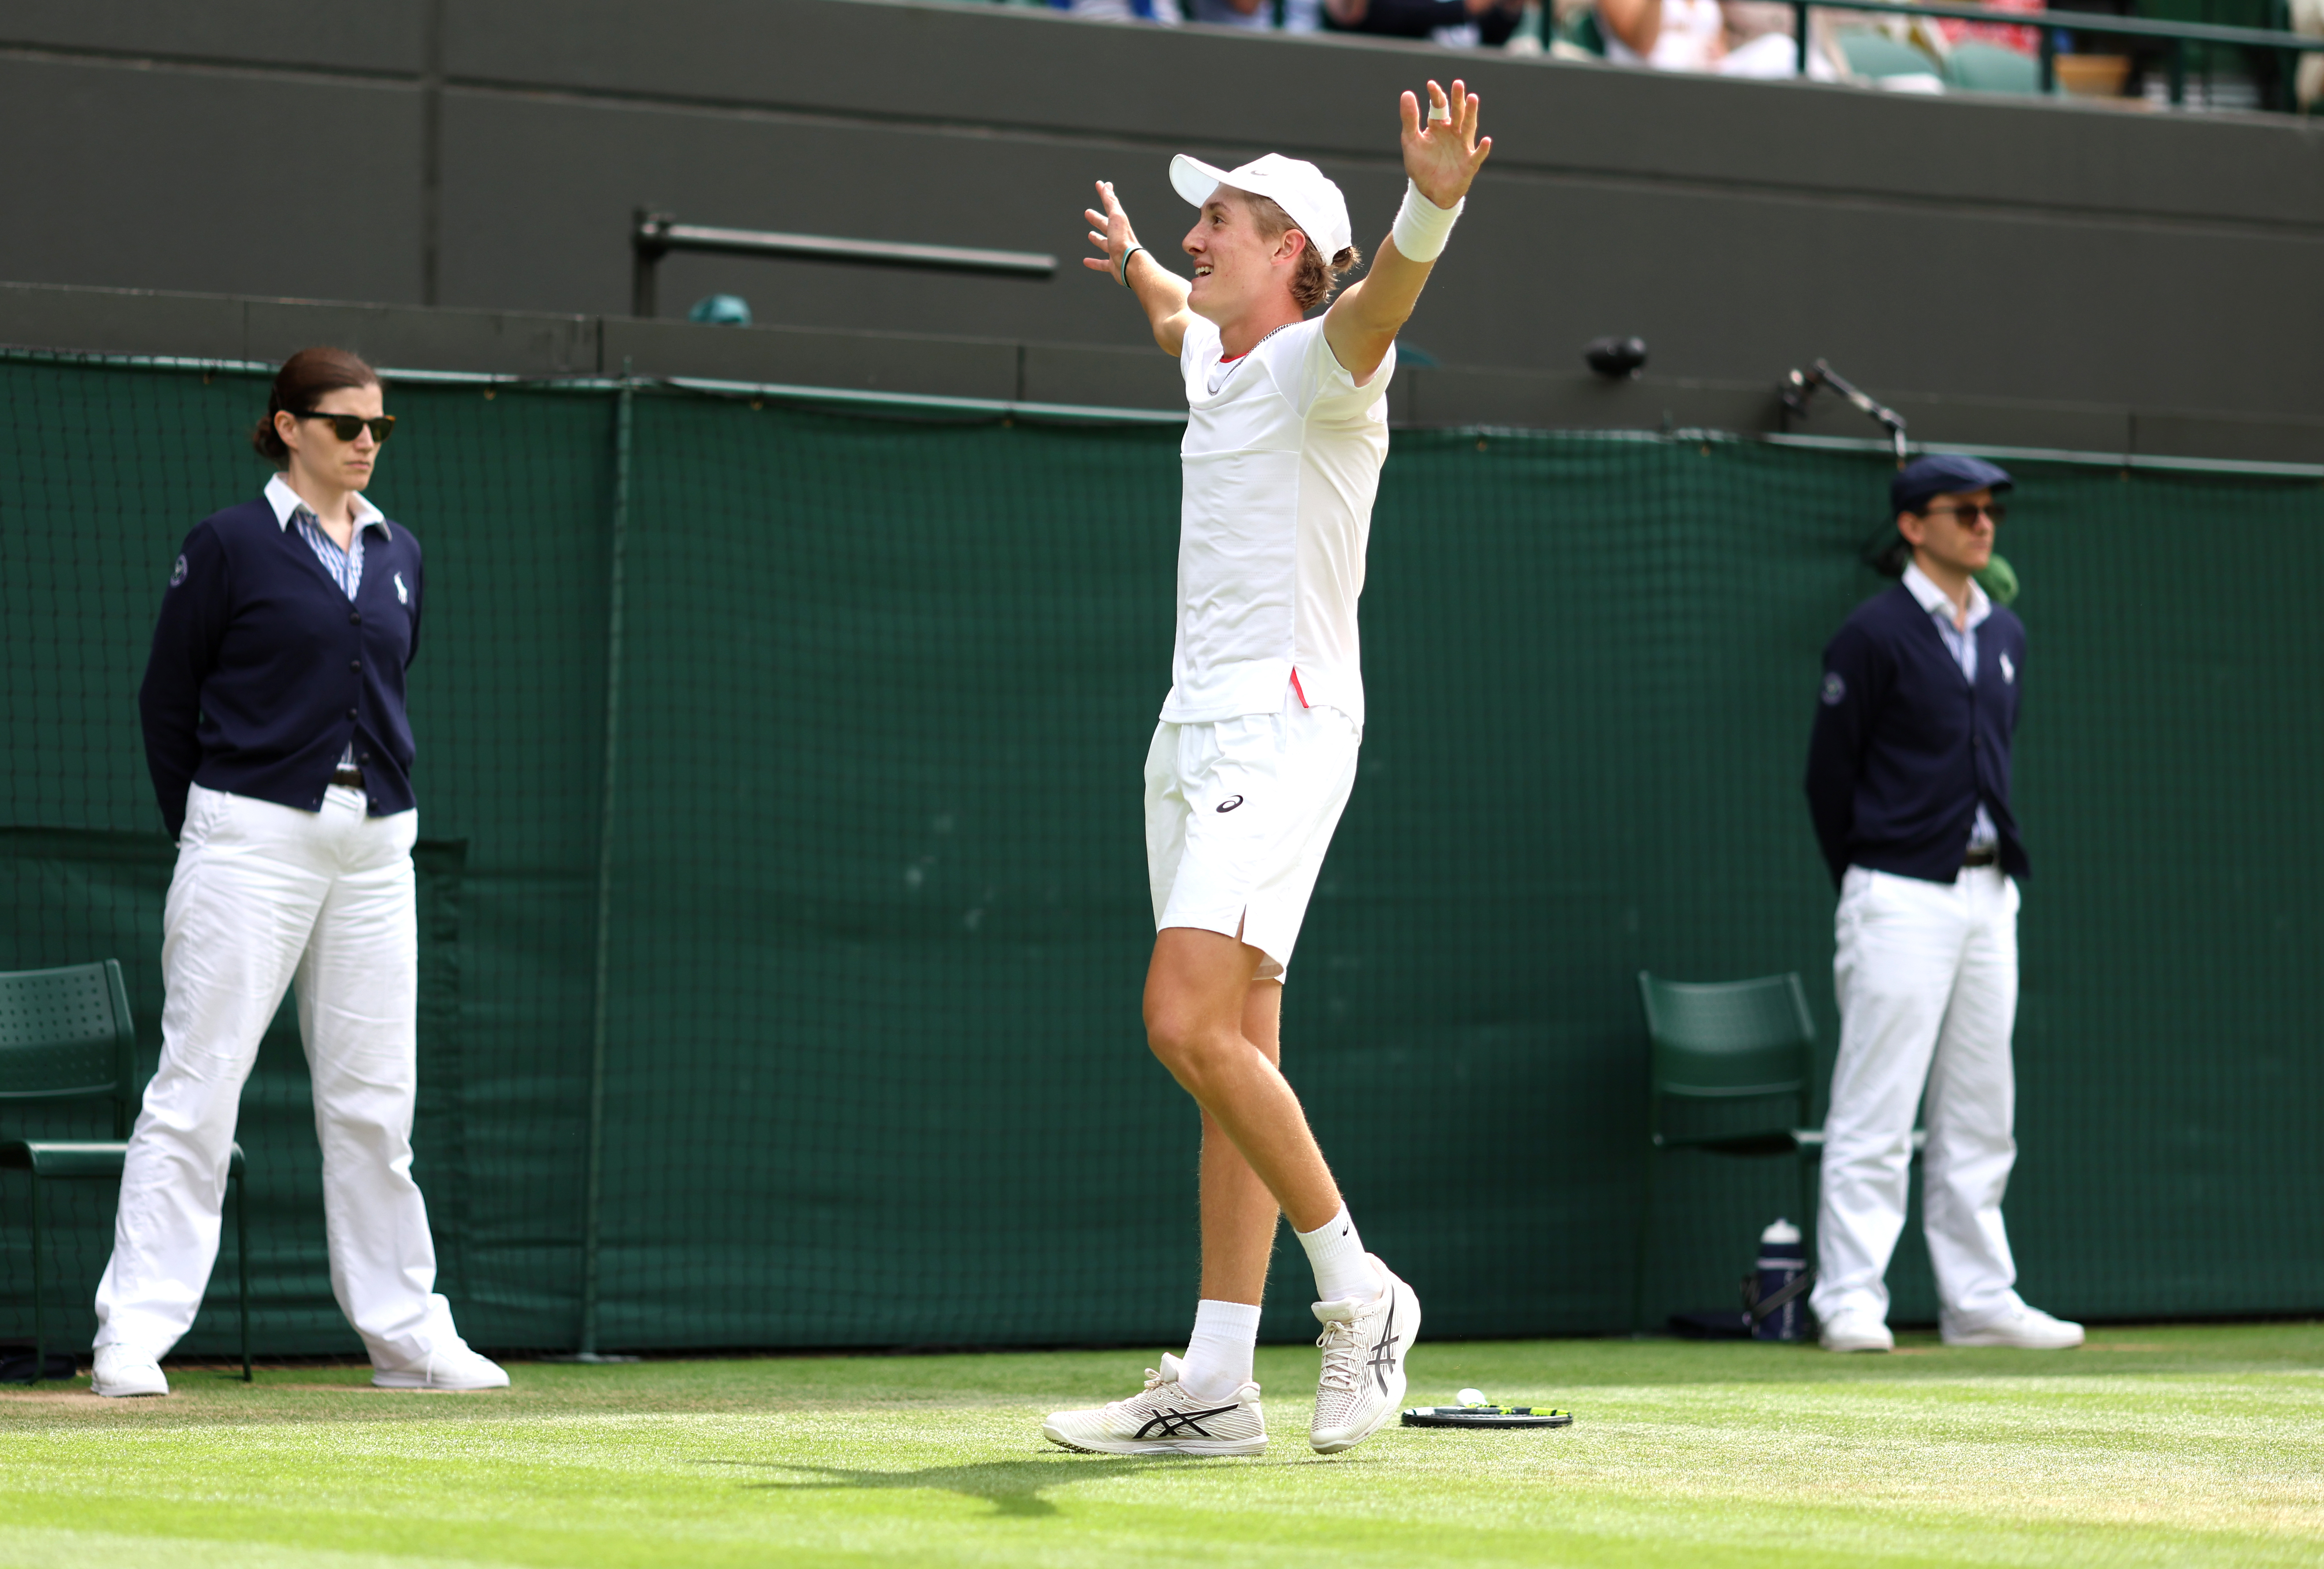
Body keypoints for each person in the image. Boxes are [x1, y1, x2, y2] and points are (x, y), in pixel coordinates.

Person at [1042, 79, 1489, 1457]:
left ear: (1291, 246)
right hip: (1188, 735)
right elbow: (1179, 325)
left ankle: (1361, 1287)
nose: (1199, 235)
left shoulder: (1327, 365)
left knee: (1182, 1020)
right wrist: (1131, 263)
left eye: (1220, 219)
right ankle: (1219, 1381)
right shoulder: (1215, 357)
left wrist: (1430, 200)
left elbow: (1383, 301)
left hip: (1282, 731)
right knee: (1231, 1054)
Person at [89, 347, 506, 1398]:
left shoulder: (401, 549)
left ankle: (409, 1337)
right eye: (344, 424)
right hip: (247, 839)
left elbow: (388, 679)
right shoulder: (229, 543)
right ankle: (131, 1336)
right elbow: (165, 700)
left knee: (375, 1103)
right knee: (199, 1086)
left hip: (376, 845)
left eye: (380, 427)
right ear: (287, 427)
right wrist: (209, 826)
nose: (367, 441)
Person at [1803, 453, 2082, 1355]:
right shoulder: (1871, 635)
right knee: (1876, 1108)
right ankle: (1850, 1299)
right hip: (1896, 895)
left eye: (1990, 507)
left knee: (1980, 1107)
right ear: (1915, 527)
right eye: (1963, 509)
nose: (1983, 521)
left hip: (1991, 896)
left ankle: (1980, 1299)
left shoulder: (2006, 635)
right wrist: (1874, 874)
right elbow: (1828, 779)